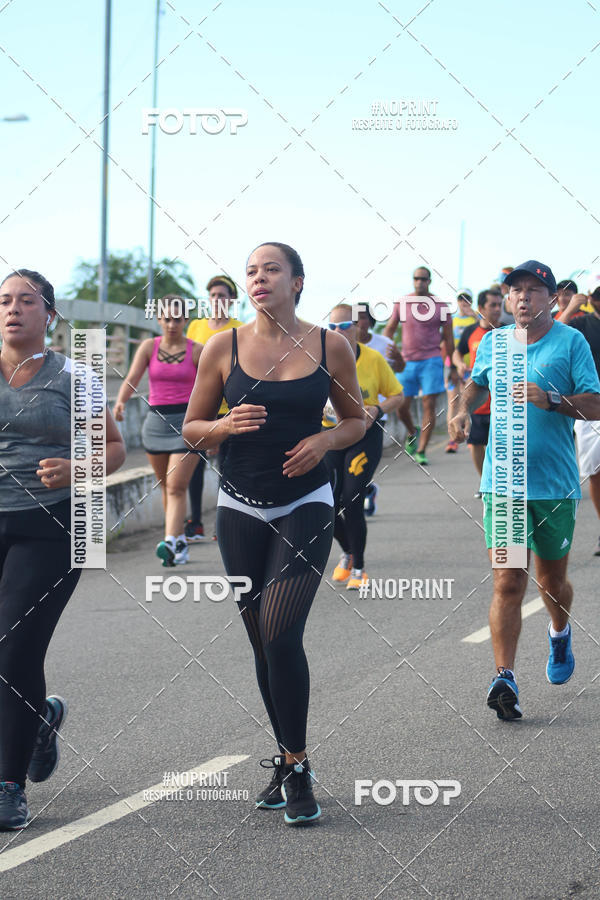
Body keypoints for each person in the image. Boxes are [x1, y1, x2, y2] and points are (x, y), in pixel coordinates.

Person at [183, 242, 365, 825]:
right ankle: (287, 761)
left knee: (282, 636)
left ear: (297, 281)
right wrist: (223, 425)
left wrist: (325, 439)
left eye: (271, 270)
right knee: (261, 640)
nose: (258, 278)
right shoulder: (223, 346)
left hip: (306, 501)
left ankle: (298, 765)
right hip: (240, 505)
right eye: (251, 271)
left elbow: (357, 420)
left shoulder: (330, 345)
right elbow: (190, 428)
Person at [0, 269, 125, 829]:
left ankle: (8, 785)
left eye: (27, 301)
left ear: (49, 315)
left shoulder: (77, 375)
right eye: (5, 300)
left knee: (13, 652)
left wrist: (79, 467)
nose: (13, 309)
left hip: (52, 525)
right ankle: (39, 718)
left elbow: (115, 449)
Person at [450, 260, 600, 721]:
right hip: (504, 485)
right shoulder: (494, 342)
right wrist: (461, 409)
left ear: (551, 299)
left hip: (554, 484)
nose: (521, 298)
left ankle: (559, 632)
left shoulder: (570, 342)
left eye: (533, 290)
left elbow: (595, 403)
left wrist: (552, 399)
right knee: (508, 580)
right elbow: (476, 386)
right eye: (515, 290)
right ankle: (505, 678)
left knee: (551, 583)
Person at [114, 295, 201, 566]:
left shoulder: (197, 350)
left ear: (186, 320)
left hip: (187, 425)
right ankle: (179, 543)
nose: (172, 324)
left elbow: (213, 386)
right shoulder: (148, 347)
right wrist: (120, 401)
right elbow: (132, 378)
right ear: (159, 319)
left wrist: (213, 424)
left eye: (178, 319)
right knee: (166, 487)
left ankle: (170, 542)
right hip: (155, 424)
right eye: (167, 319)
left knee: (176, 486)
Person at [325, 304, 404, 585]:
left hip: (364, 435)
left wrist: (377, 410)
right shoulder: (317, 358)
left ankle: (359, 568)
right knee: (325, 503)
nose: (337, 332)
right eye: (332, 327)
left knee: (352, 498)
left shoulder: (372, 359)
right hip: (330, 436)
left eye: (344, 326)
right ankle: (348, 552)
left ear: (357, 328)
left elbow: (397, 395)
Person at [185, 275, 243, 542]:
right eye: (213, 295)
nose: (217, 299)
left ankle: (224, 522)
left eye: (222, 295)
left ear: (231, 300)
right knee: (194, 467)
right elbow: (188, 365)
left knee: (227, 468)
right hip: (200, 406)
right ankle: (195, 522)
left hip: (230, 408)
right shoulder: (195, 326)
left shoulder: (240, 329)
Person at [383, 266, 453, 465]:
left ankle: (421, 450)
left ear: (429, 281)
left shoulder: (440, 306)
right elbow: (389, 329)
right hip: (407, 362)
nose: (419, 282)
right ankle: (412, 432)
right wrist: (385, 354)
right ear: (413, 280)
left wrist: (452, 366)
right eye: (416, 278)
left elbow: (449, 338)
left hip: (432, 360)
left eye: (423, 279)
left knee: (428, 404)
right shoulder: (402, 303)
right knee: (400, 405)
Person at [354, 303, 405, 514]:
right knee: (347, 471)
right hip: (343, 415)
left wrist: (399, 357)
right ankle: (366, 490)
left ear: (371, 321)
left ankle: (363, 492)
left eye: (362, 317)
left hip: (376, 410)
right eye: (353, 318)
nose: (358, 322)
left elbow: (400, 368)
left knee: (363, 464)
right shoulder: (338, 345)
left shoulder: (384, 344)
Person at [452, 289, 503, 491]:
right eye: (493, 305)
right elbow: (457, 352)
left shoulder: (509, 333)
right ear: (481, 308)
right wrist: (459, 365)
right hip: (477, 400)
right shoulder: (470, 332)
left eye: (500, 304)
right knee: (476, 443)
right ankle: (485, 483)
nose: (497, 309)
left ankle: (501, 484)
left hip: (501, 402)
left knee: (501, 446)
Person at [567, 287, 600, 554]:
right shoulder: (581, 324)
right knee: (595, 472)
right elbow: (552, 332)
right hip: (590, 407)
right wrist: (570, 308)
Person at [445, 290, 477, 453]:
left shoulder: (477, 318)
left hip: (471, 366)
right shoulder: (452, 320)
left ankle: (470, 435)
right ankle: (453, 439)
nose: (464, 302)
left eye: (467, 299)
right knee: (453, 401)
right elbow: (445, 343)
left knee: (469, 401)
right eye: (461, 299)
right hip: (453, 366)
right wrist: (451, 366)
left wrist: (475, 315)